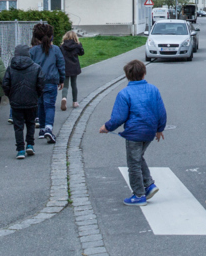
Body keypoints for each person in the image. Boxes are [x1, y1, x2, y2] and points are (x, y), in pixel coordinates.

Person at [99, 60, 167, 206]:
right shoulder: (153, 89)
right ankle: (149, 185)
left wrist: (107, 127)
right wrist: (160, 129)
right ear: (144, 73)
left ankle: (139, 194)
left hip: (134, 133)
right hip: (149, 132)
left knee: (133, 163)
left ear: (127, 76)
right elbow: (161, 111)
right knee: (138, 157)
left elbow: (119, 117)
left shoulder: (124, 94)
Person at [4, 45, 44, 159]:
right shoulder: (36, 67)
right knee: (31, 122)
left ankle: (20, 149)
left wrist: (10, 95)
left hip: (16, 100)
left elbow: (6, 84)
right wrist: (37, 95)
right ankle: (30, 144)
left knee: (18, 125)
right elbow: (41, 84)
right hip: (31, 99)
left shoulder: (11, 68)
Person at [29, 24, 65, 144]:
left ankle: (42, 129)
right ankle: (49, 128)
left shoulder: (33, 51)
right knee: (49, 105)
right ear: (51, 37)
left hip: (37, 82)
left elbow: (30, 67)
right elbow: (60, 65)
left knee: (40, 105)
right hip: (51, 81)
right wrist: (62, 79)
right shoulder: (55, 49)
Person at [60, 31, 85, 110]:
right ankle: (75, 102)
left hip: (65, 67)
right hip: (74, 67)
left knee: (65, 85)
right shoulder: (77, 45)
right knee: (74, 85)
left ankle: (64, 98)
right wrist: (80, 46)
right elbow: (82, 53)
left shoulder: (62, 46)